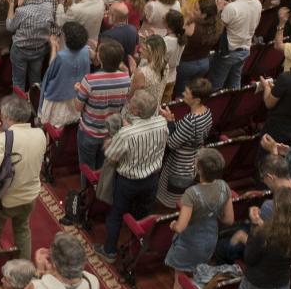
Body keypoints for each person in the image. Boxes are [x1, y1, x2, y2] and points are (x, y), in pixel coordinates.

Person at [0, 95, 46, 259]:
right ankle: (24, 268)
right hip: (30, 197)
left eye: (2, 116)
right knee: (23, 231)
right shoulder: (40, 134)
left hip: (5, 200)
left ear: (8, 117)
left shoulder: (5, 139)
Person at [161, 148, 233, 289]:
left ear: (199, 169)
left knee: (180, 277)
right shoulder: (224, 187)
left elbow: (181, 226)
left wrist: (173, 225)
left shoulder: (191, 194)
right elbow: (229, 220)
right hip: (209, 239)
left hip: (190, 242)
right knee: (197, 272)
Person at [97, 91, 169, 260]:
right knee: (143, 217)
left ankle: (109, 252)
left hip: (127, 182)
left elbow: (111, 156)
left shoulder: (126, 133)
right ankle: (135, 250)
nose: (128, 103)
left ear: (136, 111)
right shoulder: (162, 122)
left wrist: (108, 143)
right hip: (151, 179)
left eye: (132, 102)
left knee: (116, 215)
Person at [73, 38, 131, 175]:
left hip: (89, 132)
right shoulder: (126, 79)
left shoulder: (90, 80)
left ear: (100, 57)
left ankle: (85, 194)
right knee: (101, 170)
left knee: (87, 170)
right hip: (110, 133)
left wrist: (78, 91)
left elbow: (77, 107)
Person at [155, 79, 214, 209]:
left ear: (197, 100)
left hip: (179, 165)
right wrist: (171, 120)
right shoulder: (207, 112)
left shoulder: (191, 120)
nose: (183, 94)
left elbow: (171, 143)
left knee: (170, 201)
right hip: (192, 161)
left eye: (187, 93)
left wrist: (169, 121)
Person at [208, 0, 262, 90]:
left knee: (216, 85)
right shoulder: (257, 3)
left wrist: (218, 10)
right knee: (234, 83)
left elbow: (217, 29)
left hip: (229, 52)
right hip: (245, 49)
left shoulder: (232, 8)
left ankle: (212, 106)